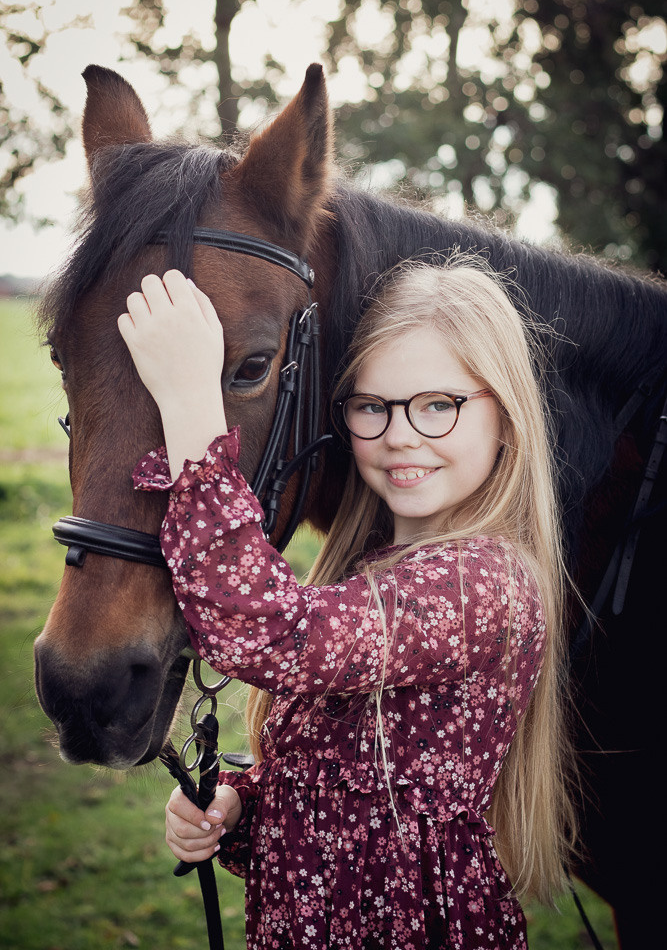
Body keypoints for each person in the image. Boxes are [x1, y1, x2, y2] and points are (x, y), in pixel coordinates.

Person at [120, 256, 577, 950]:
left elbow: (267, 634)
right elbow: (341, 799)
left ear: (505, 417)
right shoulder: (375, 577)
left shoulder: (482, 585)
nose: (399, 434)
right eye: (371, 406)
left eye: (437, 405)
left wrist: (189, 401)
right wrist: (240, 805)